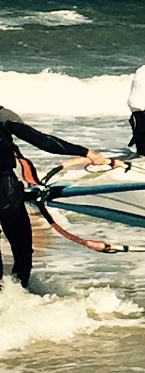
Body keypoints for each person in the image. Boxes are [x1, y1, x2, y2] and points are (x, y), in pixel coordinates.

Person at [0, 106, 113, 288]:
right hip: (5, 190)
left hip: (6, 188)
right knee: (22, 251)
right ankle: (19, 293)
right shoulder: (4, 117)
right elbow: (44, 142)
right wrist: (86, 152)